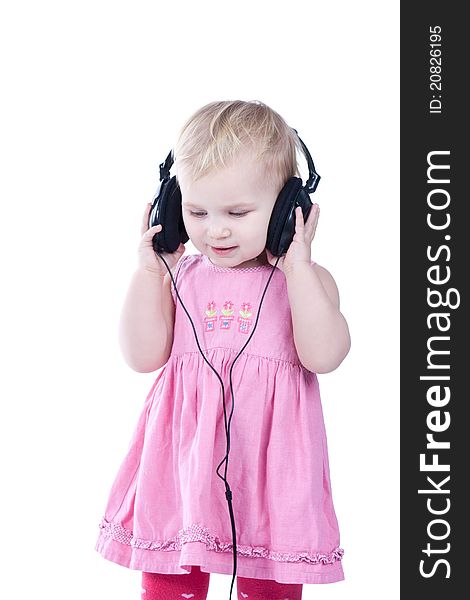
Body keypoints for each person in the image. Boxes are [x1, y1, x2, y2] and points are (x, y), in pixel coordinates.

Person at [95, 100, 351, 600]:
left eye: (237, 212)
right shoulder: (178, 278)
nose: (215, 229)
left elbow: (325, 355)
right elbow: (142, 355)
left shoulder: (305, 283)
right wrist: (151, 271)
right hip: (184, 463)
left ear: (286, 210)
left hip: (270, 469)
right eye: (195, 211)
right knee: (171, 578)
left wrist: (298, 266)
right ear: (171, 206)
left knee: (269, 582)